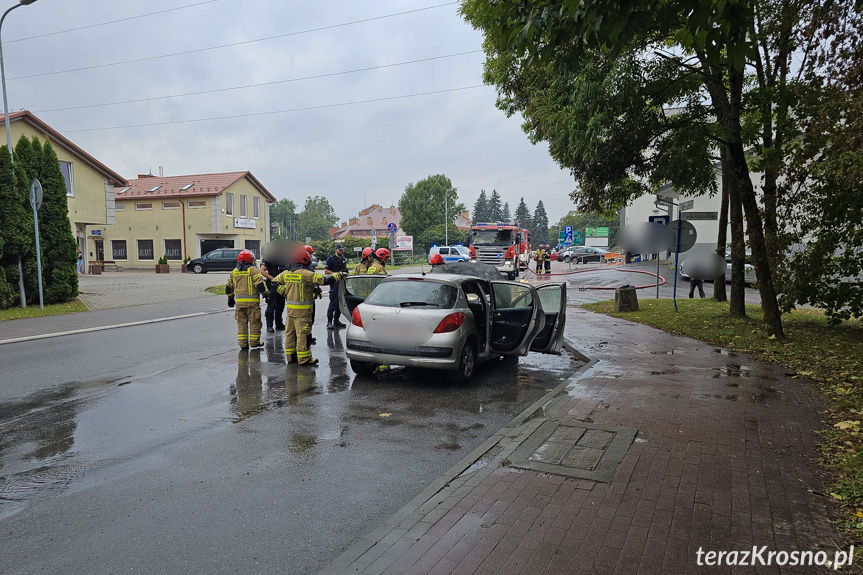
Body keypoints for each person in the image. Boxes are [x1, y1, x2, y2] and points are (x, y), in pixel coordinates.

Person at [273, 246, 344, 365]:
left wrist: (284, 292)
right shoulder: (306, 274)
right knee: (303, 335)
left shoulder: (286, 273)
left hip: (290, 311)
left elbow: (273, 282)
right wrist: (340, 275)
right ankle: (304, 359)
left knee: (290, 333)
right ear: (305, 260)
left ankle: (291, 357)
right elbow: (325, 280)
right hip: (303, 312)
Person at [226, 249, 267, 349]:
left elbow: (228, 288)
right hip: (252, 305)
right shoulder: (253, 270)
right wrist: (266, 295)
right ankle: (254, 342)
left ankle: (243, 344)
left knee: (241, 324)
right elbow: (260, 285)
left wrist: (230, 299)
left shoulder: (234, 272)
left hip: (239, 305)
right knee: (255, 323)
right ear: (251, 259)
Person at [260, 254, 287, 334]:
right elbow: (262, 271)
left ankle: (279, 324)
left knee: (281, 305)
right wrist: (273, 279)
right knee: (272, 305)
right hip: (272, 285)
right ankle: (269, 325)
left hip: (282, 285)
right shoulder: (270, 258)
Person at [325, 243, 349, 329]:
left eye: (342, 249)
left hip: (342, 282)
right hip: (334, 282)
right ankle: (329, 321)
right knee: (333, 302)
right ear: (336, 249)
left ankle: (336, 320)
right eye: (340, 250)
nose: (341, 251)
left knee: (340, 302)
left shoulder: (343, 259)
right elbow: (326, 271)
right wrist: (336, 274)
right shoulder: (331, 259)